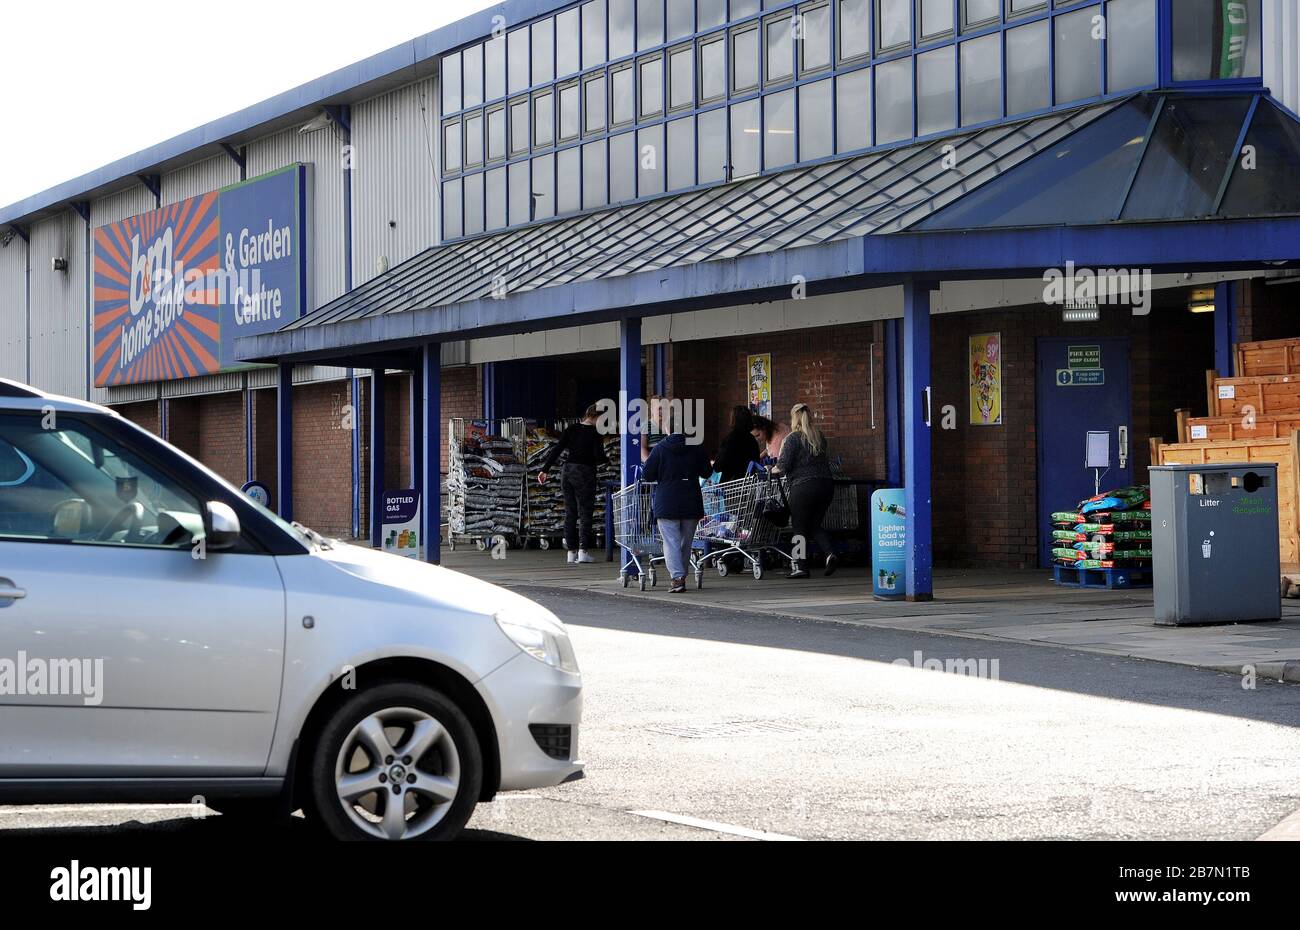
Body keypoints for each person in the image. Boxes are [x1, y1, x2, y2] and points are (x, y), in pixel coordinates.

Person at [642, 407, 712, 594]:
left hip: (667, 501)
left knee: (671, 542)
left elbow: (647, 474)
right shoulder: (696, 446)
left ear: (667, 429)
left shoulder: (660, 449)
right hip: (691, 500)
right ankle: (681, 575)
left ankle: (677, 578)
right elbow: (707, 472)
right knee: (685, 542)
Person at [774, 403, 838, 579]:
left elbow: (783, 466)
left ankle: (801, 567)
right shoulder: (819, 436)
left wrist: (770, 470)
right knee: (814, 524)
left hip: (803, 487)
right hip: (826, 485)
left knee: (799, 527)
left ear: (794, 418)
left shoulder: (793, 438)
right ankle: (830, 553)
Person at [538, 405, 608, 564]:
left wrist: (544, 470)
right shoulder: (595, 434)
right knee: (585, 512)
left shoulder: (571, 429)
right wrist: (605, 460)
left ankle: (571, 552)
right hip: (585, 473)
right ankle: (583, 552)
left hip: (567, 471)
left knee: (570, 512)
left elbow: (557, 449)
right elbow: (599, 456)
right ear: (597, 417)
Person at [713, 406, 761, 482]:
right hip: (749, 482)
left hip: (731, 483)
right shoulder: (752, 440)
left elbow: (718, 466)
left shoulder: (730, 439)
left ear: (733, 419)